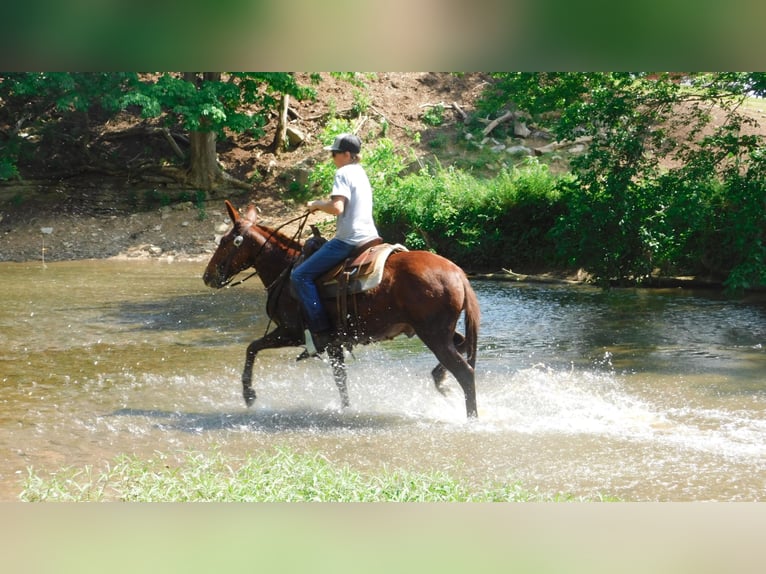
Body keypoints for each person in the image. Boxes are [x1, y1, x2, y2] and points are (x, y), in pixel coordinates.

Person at [291, 133, 380, 355]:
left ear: (347, 155)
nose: (332, 157)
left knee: (300, 276)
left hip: (349, 239)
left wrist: (317, 204)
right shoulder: (361, 173)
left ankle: (322, 334)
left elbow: (337, 208)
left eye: (334, 153)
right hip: (370, 236)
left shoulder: (343, 172)